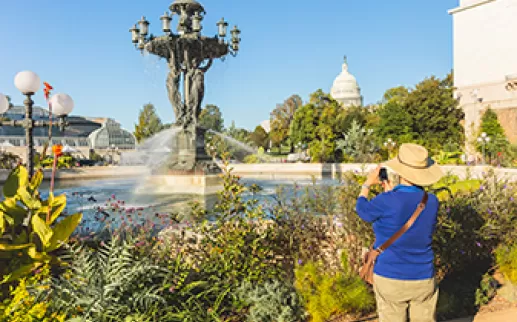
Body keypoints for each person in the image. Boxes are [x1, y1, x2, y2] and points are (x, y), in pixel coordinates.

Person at [356, 143, 444, 322]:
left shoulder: (387, 200)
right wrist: (391, 193)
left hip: (390, 276)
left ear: (400, 171)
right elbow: (410, 215)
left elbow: (363, 210)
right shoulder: (432, 202)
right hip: (422, 276)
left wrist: (367, 185)